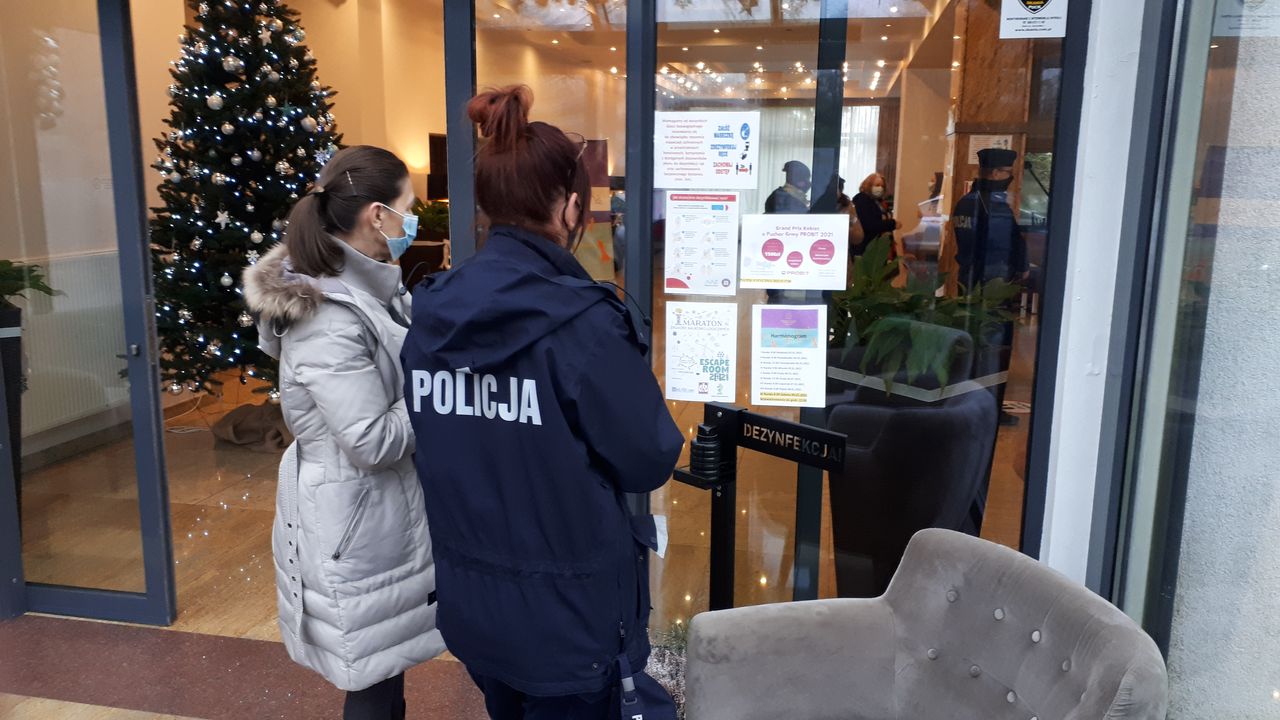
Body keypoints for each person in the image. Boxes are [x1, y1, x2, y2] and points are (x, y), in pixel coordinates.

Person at [401, 86, 684, 719]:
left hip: (475, 606)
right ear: (571, 206)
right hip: (570, 620)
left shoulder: (432, 314)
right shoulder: (583, 326)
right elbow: (649, 457)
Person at [243, 145, 444, 720]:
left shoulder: (372, 289)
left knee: (386, 666)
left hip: (382, 509)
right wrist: (441, 395)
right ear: (378, 215)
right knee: (373, 680)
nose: (413, 221)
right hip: (356, 519)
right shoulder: (328, 317)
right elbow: (372, 440)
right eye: (409, 208)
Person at [950, 147, 1030, 426]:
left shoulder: (965, 202)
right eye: (1008, 172)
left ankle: (974, 407)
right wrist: (1021, 266)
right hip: (993, 287)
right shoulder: (993, 206)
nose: (1010, 178)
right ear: (996, 172)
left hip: (971, 283)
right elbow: (1003, 245)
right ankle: (990, 410)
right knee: (993, 351)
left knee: (976, 348)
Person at [851, 172, 901, 250]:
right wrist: (892, 224)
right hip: (867, 247)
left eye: (882, 186)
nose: (880, 188)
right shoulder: (862, 200)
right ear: (869, 186)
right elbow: (870, 224)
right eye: (877, 185)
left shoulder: (878, 202)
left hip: (879, 245)